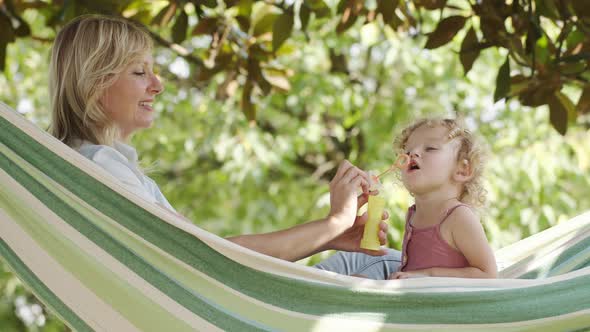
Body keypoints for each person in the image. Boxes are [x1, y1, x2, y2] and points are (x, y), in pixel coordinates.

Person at [47, 14, 389, 263]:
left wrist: (328, 236)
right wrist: (334, 222)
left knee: (372, 262)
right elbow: (209, 258)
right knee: (386, 267)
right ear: (94, 84)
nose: (158, 85)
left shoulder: (97, 166)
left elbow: (206, 252)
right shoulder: (103, 169)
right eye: (139, 72)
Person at [316, 117, 497, 279]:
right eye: (408, 150)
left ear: (462, 170)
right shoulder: (414, 214)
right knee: (356, 280)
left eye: (430, 148)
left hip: (442, 309)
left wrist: (427, 276)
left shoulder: (458, 217)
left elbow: (488, 275)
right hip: (413, 303)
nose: (412, 154)